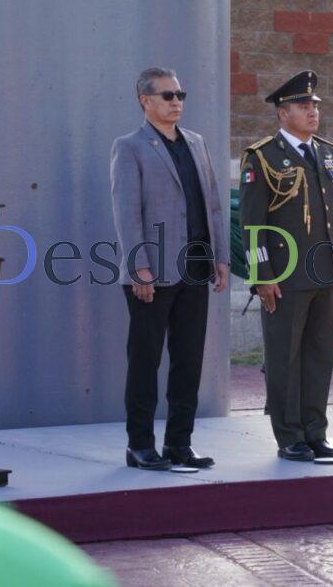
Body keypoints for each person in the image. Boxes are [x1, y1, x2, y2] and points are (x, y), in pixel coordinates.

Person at [111, 66, 229, 470]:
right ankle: (139, 445)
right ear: (146, 101)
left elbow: (212, 204)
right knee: (145, 360)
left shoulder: (196, 143)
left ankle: (180, 443)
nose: (176, 101)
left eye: (180, 94)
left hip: (195, 268)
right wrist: (138, 267)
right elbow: (127, 214)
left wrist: (221, 257)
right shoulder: (130, 147)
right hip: (152, 272)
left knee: (188, 359)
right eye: (167, 95)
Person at [238, 70, 333, 462]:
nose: (312, 112)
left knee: (319, 355)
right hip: (284, 278)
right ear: (282, 112)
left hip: (325, 273)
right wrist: (261, 275)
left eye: (314, 106)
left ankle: (315, 431)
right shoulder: (263, 157)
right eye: (303, 106)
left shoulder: (329, 153)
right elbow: (252, 224)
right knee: (284, 356)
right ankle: (289, 435)